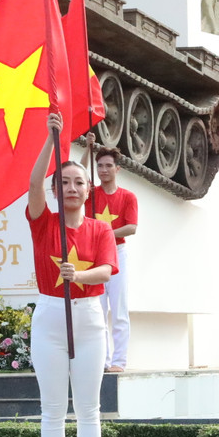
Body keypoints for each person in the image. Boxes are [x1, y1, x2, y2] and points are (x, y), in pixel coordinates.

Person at [28, 113, 118, 437]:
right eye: (64, 182)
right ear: (55, 188)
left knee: (87, 407)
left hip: (88, 317)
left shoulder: (99, 229)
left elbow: (107, 270)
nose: (72, 188)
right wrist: (52, 140)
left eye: (79, 182)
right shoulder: (44, 223)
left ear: (89, 189)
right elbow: (32, 185)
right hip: (50, 315)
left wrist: (78, 273)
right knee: (51, 408)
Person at [91, 147, 138, 373]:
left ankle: (119, 361)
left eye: (109, 165)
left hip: (117, 253)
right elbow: (78, 171)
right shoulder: (90, 194)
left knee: (118, 309)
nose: (104, 170)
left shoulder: (128, 196)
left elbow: (132, 227)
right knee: (98, 310)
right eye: (100, 165)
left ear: (117, 169)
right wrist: (88, 149)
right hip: (94, 255)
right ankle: (103, 360)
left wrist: (105, 232)